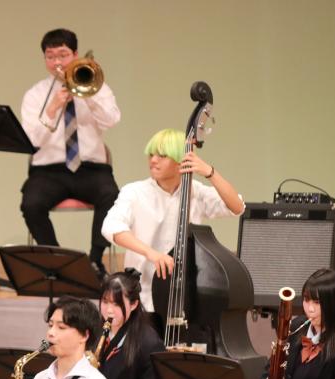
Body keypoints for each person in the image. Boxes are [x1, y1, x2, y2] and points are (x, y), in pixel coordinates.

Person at [101, 128, 245, 321]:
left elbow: (237, 206)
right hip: (142, 292)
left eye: (162, 156)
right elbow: (111, 227)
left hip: (183, 296)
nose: (153, 160)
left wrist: (209, 172)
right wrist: (151, 253)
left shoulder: (195, 191)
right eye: (151, 154)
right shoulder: (134, 192)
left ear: (180, 161)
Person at [20, 28, 120, 279]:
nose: (57, 62)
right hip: (48, 170)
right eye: (50, 56)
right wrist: (52, 108)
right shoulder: (35, 95)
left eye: (63, 55)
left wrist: (88, 96)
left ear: (75, 55)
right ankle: (58, 263)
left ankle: (95, 261)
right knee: (31, 204)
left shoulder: (97, 85)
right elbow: (31, 141)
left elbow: (112, 120)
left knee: (111, 196)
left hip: (91, 169)